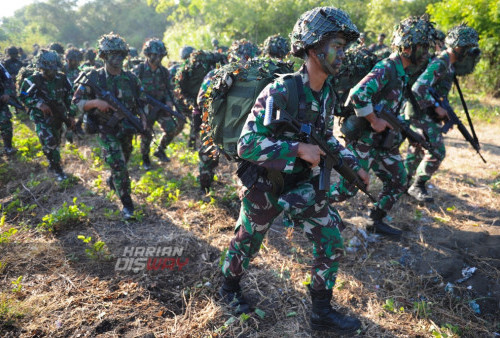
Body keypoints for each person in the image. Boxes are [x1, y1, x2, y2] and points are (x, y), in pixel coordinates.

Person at [219, 7, 369, 334]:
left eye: (345, 47)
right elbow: (247, 144)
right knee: (247, 242)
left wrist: (352, 163)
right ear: (314, 49)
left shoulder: (328, 92)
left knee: (330, 241)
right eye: (337, 46)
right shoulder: (282, 90)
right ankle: (228, 288)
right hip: (265, 184)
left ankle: (321, 313)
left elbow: (326, 136)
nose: (343, 54)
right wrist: (298, 149)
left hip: (301, 184)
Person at [329, 15, 434, 237]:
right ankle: (307, 210)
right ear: (407, 47)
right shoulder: (387, 67)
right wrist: (374, 120)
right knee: (346, 189)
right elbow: (358, 94)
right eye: (422, 47)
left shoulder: (402, 72)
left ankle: (375, 220)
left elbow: (392, 110)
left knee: (399, 179)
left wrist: (410, 133)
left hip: (382, 142)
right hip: (364, 140)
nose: (426, 53)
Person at [72, 33, 148, 220]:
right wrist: (96, 102)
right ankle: (127, 205)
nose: (118, 58)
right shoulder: (94, 77)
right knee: (119, 166)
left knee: (125, 156)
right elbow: (76, 101)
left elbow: (142, 102)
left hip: (127, 128)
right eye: (113, 54)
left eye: (121, 54)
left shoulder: (131, 78)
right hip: (105, 129)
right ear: (103, 56)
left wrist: (144, 120)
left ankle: (113, 179)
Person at [404, 24, 481, 202]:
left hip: (423, 112)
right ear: (458, 47)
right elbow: (417, 89)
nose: (469, 52)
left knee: (416, 150)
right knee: (437, 151)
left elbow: (436, 91)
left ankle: (404, 184)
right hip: (419, 112)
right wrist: (436, 106)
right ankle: (417, 185)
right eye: (466, 48)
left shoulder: (449, 64)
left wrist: (443, 109)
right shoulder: (441, 62)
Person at [19, 50, 77, 181]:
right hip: (40, 117)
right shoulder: (31, 80)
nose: (50, 72)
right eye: (47, 69)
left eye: (53, 69)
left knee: (55, 141)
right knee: (50, 140)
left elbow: (70, 97)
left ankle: (52, 161)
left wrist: (71, 115)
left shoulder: (62, 79)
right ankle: (58, 169)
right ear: (41, 67)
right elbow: (22, 97)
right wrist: (39, 104)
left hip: (58, 116)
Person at [133, 38, 180, 169]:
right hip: (144, 108)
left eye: (160, 55)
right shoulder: (139, 70)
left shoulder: (164, 72)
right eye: (154, 55)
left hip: (160, 105)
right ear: (148, 54)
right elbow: (131, 90)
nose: (157, 58)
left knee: (171, 128)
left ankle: (160, 150)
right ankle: (145, 158)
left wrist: (169, 103)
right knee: (146, 134)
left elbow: (169, 89)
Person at [0, 62, 18, 156]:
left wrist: (7, 93)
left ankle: (8, 148)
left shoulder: (0, 66)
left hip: (1, 102)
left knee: (6, 123)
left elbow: (8, 80)